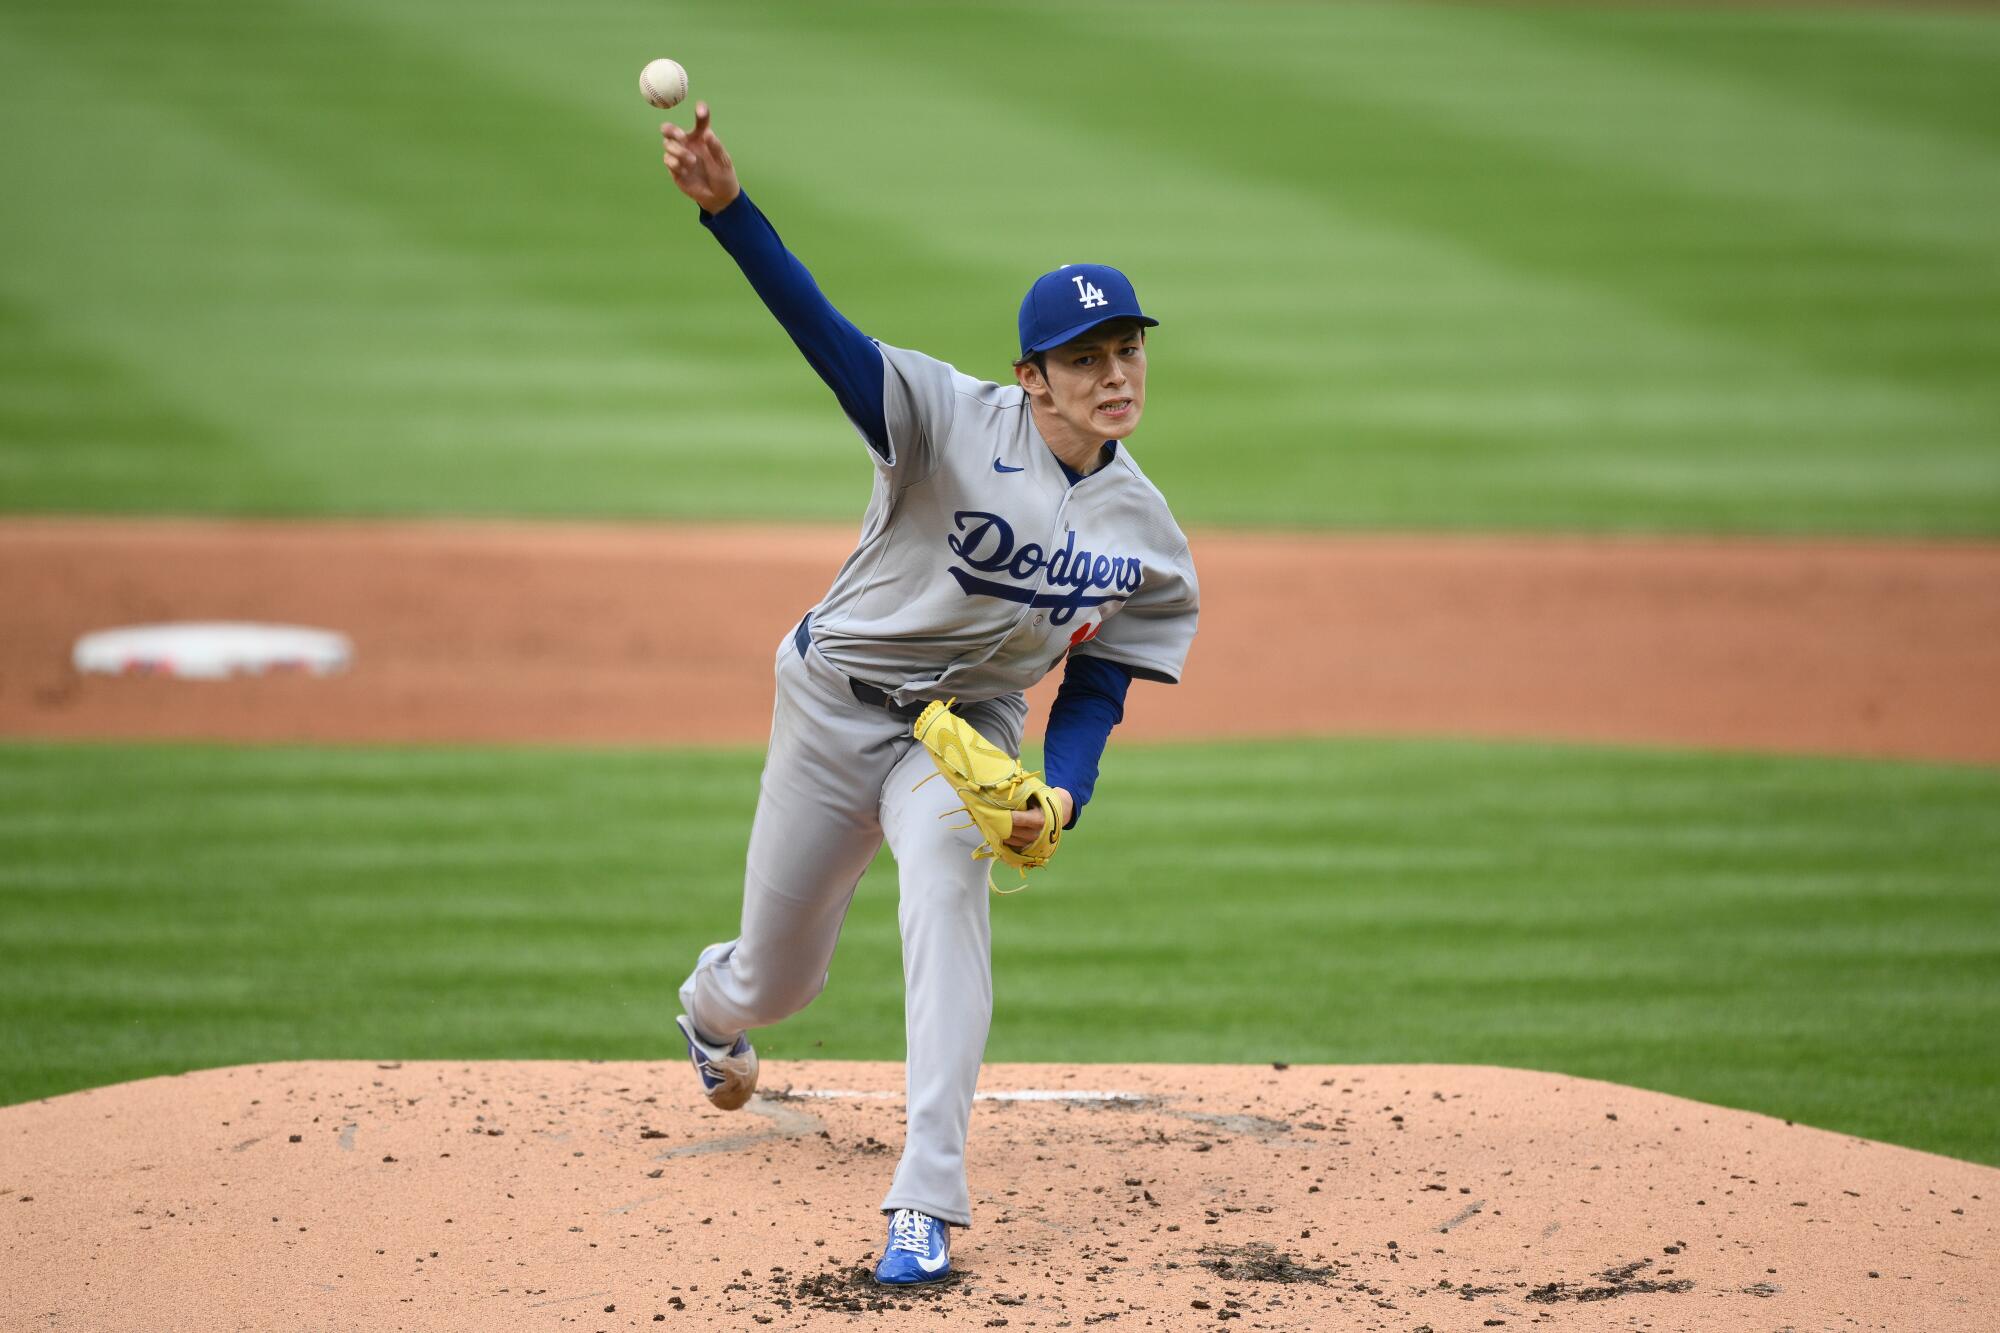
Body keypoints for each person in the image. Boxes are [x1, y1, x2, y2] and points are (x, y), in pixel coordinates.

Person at [658, 103, 1199, 1286]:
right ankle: (711, 1010)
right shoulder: (947, 419)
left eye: (1128, 351)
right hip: (832, 703)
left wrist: (1059, 795)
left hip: (963, 739)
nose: (1114, 376)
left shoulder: (1143, 532)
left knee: (950, 889)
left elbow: (1101, 682)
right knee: (777, 977)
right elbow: (825, 336)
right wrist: (728, 214)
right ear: (1031, 377)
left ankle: (925, 1200)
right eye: (1084, 359)